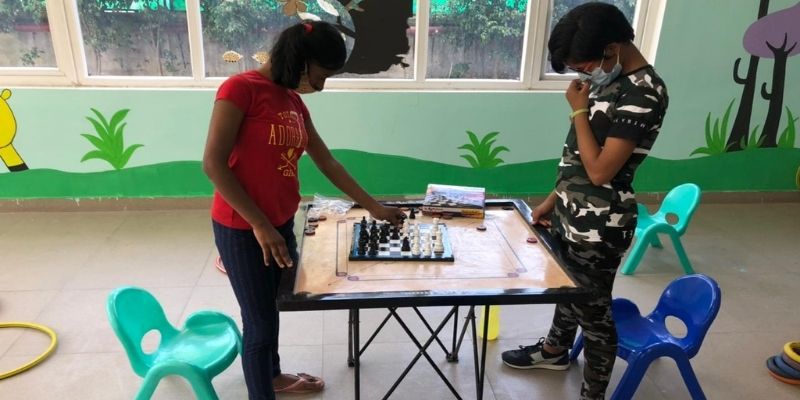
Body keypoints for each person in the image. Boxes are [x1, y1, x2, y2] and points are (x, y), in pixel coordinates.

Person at [203, 20, 405, 399]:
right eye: (321, 76)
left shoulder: (292, 101)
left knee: (273, 307)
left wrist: (374, 207)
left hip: (279, 223)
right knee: (259, 324)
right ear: (301, 59)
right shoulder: (240, 89)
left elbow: (327, 162)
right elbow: (213, 164)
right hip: (243, 228)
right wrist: (260, 225)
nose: (322, 87)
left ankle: (273, 376)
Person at [500, 3, 668, 400]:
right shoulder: (610, 81)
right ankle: (554, 351)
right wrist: (551, 201)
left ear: (612, 48)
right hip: (571, 212)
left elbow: (599, 171)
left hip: (601, 225)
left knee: (595, 315)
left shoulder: (643, 92)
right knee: (567, 288)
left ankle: (592, 394)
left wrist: (578, 110)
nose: (583, 75)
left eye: (585, 66)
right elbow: (578, 159)